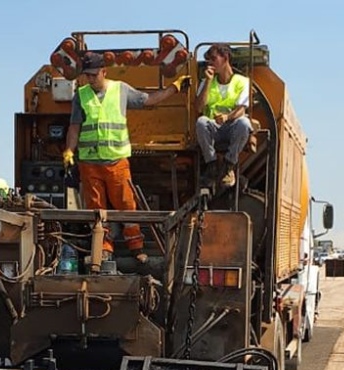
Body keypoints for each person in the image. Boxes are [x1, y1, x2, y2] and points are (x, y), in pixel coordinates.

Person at [62, 52, 189, 266]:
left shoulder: (120, 90)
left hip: (116, 162)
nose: (90, 79)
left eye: (94, 75)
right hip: (90, 163)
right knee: (97, 210)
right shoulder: (81, 95)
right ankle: (103, 249)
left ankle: (136, 247)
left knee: (127, 207)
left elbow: (148, 100)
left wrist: (174, 88)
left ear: (104, 72)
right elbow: (75, 127)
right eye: (87, 76)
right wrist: (69, 151)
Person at [194, 44, 253, 188]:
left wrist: (227, 117)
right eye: (208, 60)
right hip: (214, 128)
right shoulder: (206, 82)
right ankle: (212, 165)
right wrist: (208, 81)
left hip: (232, 127)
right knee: (201, 122)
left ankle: (228, 166)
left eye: (213, 59)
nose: (210, 63)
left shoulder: (242, 82)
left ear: (225, 58)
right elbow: (199, 107)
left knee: (244, 123)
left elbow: (241, 109)